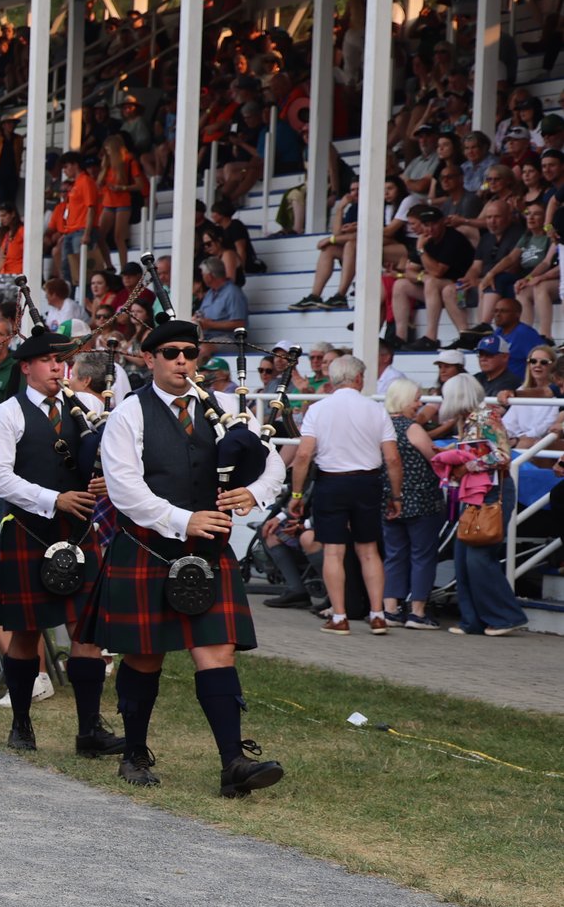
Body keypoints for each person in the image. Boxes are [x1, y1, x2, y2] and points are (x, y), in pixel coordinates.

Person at [75, 320, 287, 797]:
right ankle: (133, 752)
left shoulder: (224, 408)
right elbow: (125, 488)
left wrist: (253, 492)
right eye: (170, 353)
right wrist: (181, 519)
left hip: (207, 551)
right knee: (145, 656)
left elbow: (271, 459)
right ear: (149, 360)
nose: (181, 361)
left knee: (217, 650)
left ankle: (233, 763)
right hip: (148, 547)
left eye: (189, 353)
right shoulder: (130, 414)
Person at [0, 330, 118, 760]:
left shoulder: (89, 408)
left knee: (87, 632)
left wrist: (105, 480)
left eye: (63, 363)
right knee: (25, 631)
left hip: (78, 533)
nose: (58, 369)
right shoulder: (8, 413)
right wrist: (51, 498)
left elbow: (111, 460)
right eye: (48, 362)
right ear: (26, 367)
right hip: (30, 531)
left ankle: (89, 729)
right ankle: (21, 723)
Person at [288, 357, 398, 635]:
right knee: (369, 551)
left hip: (331, 483)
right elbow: (393, 459)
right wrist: (396, 495)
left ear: (334, 379)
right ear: (359, 378)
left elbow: (302, 455)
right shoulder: (376, 410)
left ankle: (339, 617)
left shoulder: (318, 409)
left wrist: (297, 493)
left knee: (334, 552)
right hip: (368, 481)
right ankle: (377, 614)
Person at [430, 375, 529, 636]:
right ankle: (474, 620)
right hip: (478, 492)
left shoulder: (484, 418)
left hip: (490, 492)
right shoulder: (474, 419)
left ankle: (504, 616)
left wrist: (466, 465)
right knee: (465, 556)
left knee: (478, 557)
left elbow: (502, 455)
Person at [377, 377, 444, 630]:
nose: (419, 404)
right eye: (416, 398)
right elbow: (434, 459)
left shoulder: (381, 427)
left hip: (389, 500)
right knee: (422, 555)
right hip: (420, 500)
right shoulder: (412, 428)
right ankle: (417, 611)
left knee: (394, 555)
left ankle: (390, 608)